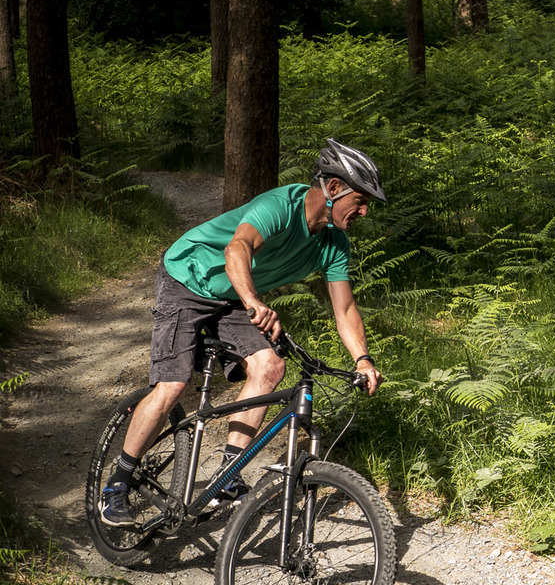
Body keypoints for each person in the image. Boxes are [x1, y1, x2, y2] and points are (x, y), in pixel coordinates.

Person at [99, 140, 387, 527]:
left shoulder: (333, 243)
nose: (365, 210)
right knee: (172, 383)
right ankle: (117, 484)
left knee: (269, 367)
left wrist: (362, 359)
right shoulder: (281, 206)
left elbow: (345, 307)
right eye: (361, 199)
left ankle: (226, 477)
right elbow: (237, 249)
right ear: (333, 188)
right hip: (190, 276)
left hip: (234, 293)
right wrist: (253, 301)